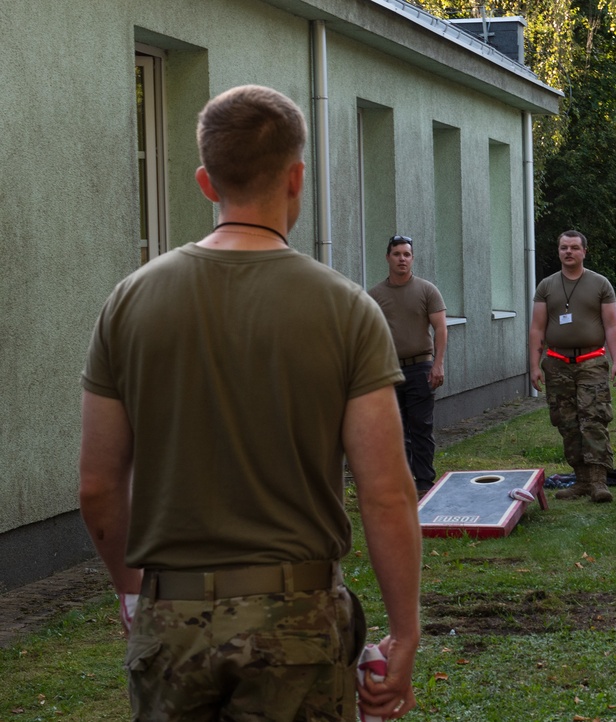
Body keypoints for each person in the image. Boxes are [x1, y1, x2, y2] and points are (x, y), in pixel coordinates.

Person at [78, 85, 421, 722]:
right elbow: (385, 491)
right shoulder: (347, 309)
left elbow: (98, 485)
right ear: (297, 177)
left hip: (170, 620)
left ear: (207, 183)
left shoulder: (129, 302)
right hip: (297, 619)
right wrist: (404, 633)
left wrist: (133, 593)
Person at [529, 230, 616, 503]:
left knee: (593, 419)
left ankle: (598, 482)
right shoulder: (546, 286)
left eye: (573, 247)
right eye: (563, 248)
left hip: (591, 361)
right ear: (558, 251)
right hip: (556, 364)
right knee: (567, 422)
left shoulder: (600, 284)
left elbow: (612, 325)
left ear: (584, 251)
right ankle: (580, 480)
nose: (568, 252)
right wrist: (535, 366)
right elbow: (537, 328)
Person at [368, 236, 448, 497]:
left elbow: (440, 328)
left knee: (421, 427)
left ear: (412, 258)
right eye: (397, 254)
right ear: (387, 257)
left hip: (421, 368)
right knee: (393, 430)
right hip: (388, 371)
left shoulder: (427, 290)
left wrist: (438, 365)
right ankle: (399, 483)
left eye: (406, 254)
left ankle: (424, 482)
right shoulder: (375, 295)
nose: (402, 258)